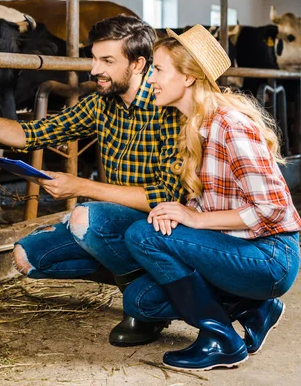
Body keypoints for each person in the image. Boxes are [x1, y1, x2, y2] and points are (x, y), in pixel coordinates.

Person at [0, 14, 186, 346]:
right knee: (28, 257)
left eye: (107, 60)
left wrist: (79, 186)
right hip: (116, 218)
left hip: (160, 224)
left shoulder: (167, 105)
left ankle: (146, 304)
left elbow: (166, 196)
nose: (94, 70)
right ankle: (145, 278)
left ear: (138, 64)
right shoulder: (100, 104)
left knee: (86, 219)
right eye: (94, 58)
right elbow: (29, 134)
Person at [116, 24, 301, 371]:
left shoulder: (229, 125)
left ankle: (221, 340)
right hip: (238, 248)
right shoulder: (197, 124)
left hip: (270, 255)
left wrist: (196, 220)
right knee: (140, 301)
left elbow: (274, 208)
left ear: (187, 78)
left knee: (141, 235)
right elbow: (214, 201)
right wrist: (184, 212)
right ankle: (255, 309)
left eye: (157, 69)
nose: (150, 79)